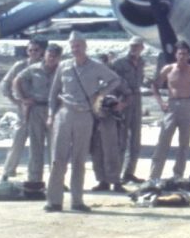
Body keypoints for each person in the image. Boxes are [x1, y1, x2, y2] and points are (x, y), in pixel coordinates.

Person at [44, 31, 122, 212]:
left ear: (85, 46)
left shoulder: (96, 66)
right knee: (58, 159)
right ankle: (53, 201)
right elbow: (53, 93)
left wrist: (100, 94)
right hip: (64, 114)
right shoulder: (63, 66)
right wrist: (50, 114)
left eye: (78, 45)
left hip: (85, 115)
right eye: (72, 46)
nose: (75, 49)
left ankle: (77, 201)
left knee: (79, 159)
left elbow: (115, 80)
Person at [148, 40, 190, 181]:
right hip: (171, 105)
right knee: (163, 141)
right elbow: (155, 85)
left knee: (184, 143)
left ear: (188, 55)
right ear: (176, 55)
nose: (182, 56)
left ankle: (178, 174)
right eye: (180, 53)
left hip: (187, 104)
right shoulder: (168, 69)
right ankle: (154, 175)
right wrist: (161, 102)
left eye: (185, 54)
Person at [14, 43, 61, 197]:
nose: (52, 58)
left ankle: (56, 182)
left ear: (59, 57)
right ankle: (34, 180)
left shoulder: (63, 70)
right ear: (45, 54)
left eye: (55, 55)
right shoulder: (33, 69)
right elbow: (17, 81)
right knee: (36, 147)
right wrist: (23, 99)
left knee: (56, 148)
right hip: (37, 110)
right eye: (49, 54)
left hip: (55, 110)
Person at [0, 37, 46, 181]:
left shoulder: (48, 67)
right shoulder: (19, 66)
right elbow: (5, 85)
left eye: (36, 50)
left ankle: (42, 177)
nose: (32, 53)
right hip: (24, 110)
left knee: (42, 145)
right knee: (18, 140)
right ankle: (8, 172)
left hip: (43, 110)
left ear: (42, 51)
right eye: (30, 50)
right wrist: (17, 101)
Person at [110, 35, 147, 184]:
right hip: (124, 99)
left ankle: (129, 172)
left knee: (136, 137)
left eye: (137, 46)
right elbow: (114, 81)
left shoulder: (142, 62)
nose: (134, 49)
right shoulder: (119, 63)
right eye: (132, 46)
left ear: (142, 48)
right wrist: (123, 97)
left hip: (137, 98)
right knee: (122, 138)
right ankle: (116, 174)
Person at [91, 82, 129, 193]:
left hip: (109, 119)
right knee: (96, 151)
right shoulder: (88, 76)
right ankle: (102, 181)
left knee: (111, 150)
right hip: (92, 117)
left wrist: (120, 105)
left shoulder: (114, 79)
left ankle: (116, 181)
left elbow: (129, 94)